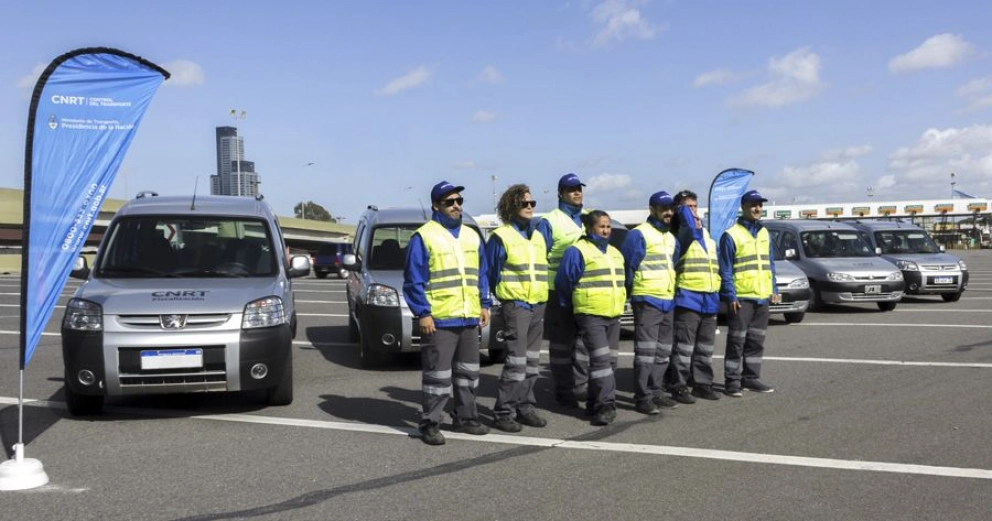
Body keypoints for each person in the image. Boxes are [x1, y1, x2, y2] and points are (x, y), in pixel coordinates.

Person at [403, 181, 492, 446]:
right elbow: (413, 280)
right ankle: (430, 423)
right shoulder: (424, 236)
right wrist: (423, 313)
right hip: (439, 320)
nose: (456, 206)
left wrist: (484, 304)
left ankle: (466, 417)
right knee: (437, 378)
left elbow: (482, 274)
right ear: (436, 206)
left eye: (459, 201)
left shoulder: (471, 236)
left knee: (468, 373)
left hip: (468, 318)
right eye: (449, 202)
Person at [485, 184, 550, 432]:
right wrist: (504, 300)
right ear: (512, 207)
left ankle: (525, 408)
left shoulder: (538, 236)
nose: (530, 207)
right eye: (525, 204)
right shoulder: (501, 237)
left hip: (538, 305)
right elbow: (490, 273)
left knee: (532, 362)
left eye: (532, 203)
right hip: (517, 306)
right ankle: (503, 411)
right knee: (516, 362)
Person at [555, 210, 625, 426]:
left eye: (608, 226)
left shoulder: (615, 252)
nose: (605, 230)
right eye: (601, 226)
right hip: (591, 314)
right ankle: (606, 405)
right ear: (589, 228)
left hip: (613, 314)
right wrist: (573, 306)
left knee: (610, 362)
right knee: (601, 361)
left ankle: (594, 403)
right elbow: (563, 282)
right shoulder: (577, 251)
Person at [620, 191, 681, 415]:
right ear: (652, 209)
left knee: (663, 351)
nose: (668, 212)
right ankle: (642, 396)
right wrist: (629, 294)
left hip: (667, 299)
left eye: (671, 208)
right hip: (646, 299)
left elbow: (672, 265)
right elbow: (629, 268)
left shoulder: (670, 237)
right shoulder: (639, 235)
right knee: (646, 351)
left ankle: (656, 390)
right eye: (664, 208)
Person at [536, 173, 590, 408]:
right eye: (571, 190)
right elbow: (538, 258)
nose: (577, 192)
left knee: (583, 342)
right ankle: (563, 389)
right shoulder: (550, 221)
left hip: (586, 291)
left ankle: (580, 386)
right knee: (561, 344)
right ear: (560, 194)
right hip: (557, 291)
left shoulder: (589, 220)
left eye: (579, 188)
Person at [719, 189, 778, 397]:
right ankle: (732, 381)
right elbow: (725, 269)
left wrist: (774, 289)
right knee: (737, 341)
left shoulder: (764, 233)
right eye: (753, 205)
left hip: (762, 297)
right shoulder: (731, 235)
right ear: (743, 207)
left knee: (756, 341)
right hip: (742, 298)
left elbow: (770, 264)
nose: (757, 208)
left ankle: (751, 378)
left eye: (760, 205)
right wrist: (731, 295)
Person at [667, 189, 722, 403]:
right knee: (684, 346)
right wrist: (685, 216)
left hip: (709, 297)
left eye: (695, 206)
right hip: (688, 296)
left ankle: (702, 383)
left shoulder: (707, 235)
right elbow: (688, 229)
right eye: (688, 207)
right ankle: (678, 385)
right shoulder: (680, 234)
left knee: (705, 346)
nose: (693, 211)